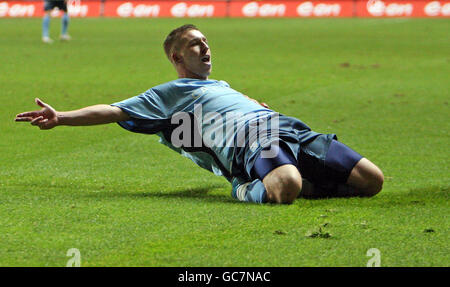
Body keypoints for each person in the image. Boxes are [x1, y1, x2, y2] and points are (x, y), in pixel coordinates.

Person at [16, 24, 384, 204]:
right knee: (286, 187)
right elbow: (113, 110)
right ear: (177, 58)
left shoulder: (221, 85)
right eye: (196, 44)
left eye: (206, 42)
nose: (206, 47)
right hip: (249, 141)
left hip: (287, 128)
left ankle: (310, 185)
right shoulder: (168, 95)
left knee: (371, 180)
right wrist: (62, 116)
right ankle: (246, 188)